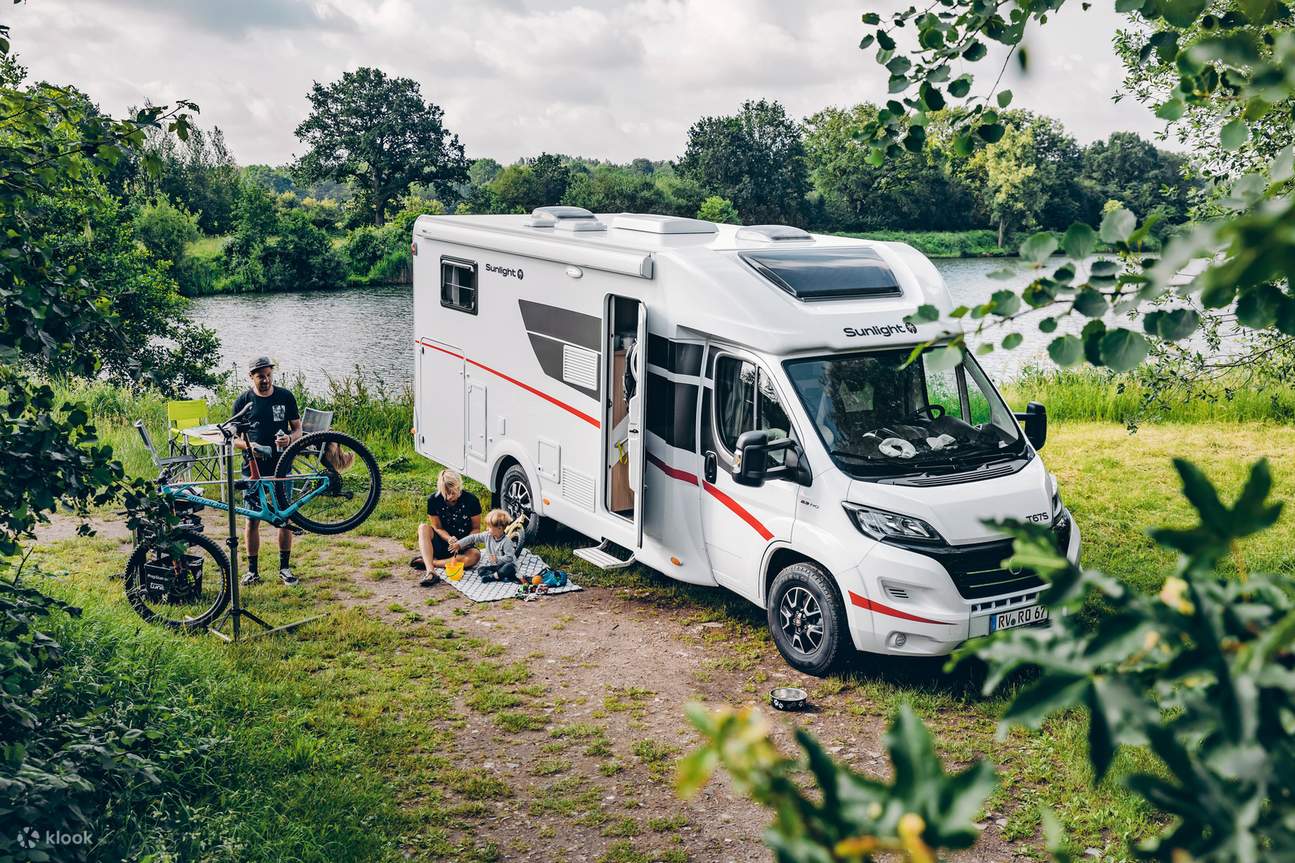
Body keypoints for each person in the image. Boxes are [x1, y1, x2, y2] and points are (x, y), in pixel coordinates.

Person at [232, 356, 302, 586]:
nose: (266, 380)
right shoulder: (244, 401)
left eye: (269, 375)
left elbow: (298, 428)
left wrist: (289, 439)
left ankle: (285, 568)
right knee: (252, 520)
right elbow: (233, 438)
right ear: (251, 377)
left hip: (282, 467)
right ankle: (252, 571)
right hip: (252, 469)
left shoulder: (285, 396)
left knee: (284, 516)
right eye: (260, 376)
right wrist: (252, 447)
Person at [413, 468, 482, 587]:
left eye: (453, 492)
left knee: (475, 556)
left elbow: (476, 529)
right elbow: (437, 527)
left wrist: (462, 543)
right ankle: (430, 571)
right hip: (442, 542)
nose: (450, 496)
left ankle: (431, 562)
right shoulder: (433, 500)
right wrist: (449, 538)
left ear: (459, 486)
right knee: (423, 527)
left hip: (463, 547)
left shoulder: (471, 500)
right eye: (446, 493)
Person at [452, 509, 524, 583]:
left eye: (489, 527)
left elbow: (509, 558)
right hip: (496, 567)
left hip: (506, 566)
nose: (487, 529)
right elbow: (473, 537)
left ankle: (494, 577)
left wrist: (497, 559)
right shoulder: (487, 535)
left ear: (499, 528)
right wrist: (459, 544)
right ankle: (498, 576)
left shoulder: (506, 541)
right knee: (481, 569)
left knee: (509, 567)